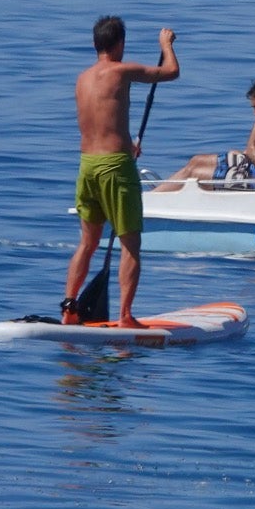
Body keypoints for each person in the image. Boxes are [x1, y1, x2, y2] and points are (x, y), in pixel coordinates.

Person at [62, 17, 179, 328]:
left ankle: (69, 308)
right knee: (130, 243)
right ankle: (125, 316)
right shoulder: (122, 71)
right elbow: (171, 72)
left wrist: (127, 144)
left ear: (95, 44)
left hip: (87, 165)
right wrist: (166, 45)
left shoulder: (82, 79)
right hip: (115, 168)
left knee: (87, 243)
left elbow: (103, 119)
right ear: (119, 44)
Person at [158, 76, 255, 190]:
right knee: (196, 160)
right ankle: (159, 193)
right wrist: (243, 153)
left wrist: (245, 155)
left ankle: (154, 198)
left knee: (194, 173)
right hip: (250, 165)